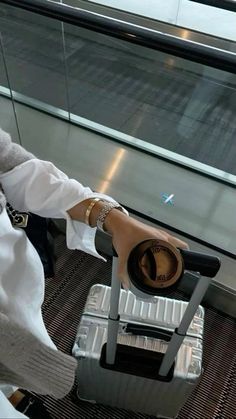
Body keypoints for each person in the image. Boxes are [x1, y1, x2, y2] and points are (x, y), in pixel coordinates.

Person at [0, 127, 188, 418]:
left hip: (11, 273)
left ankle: (9, 390)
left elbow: (12, 165)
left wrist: (111, 218)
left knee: (23, 330)